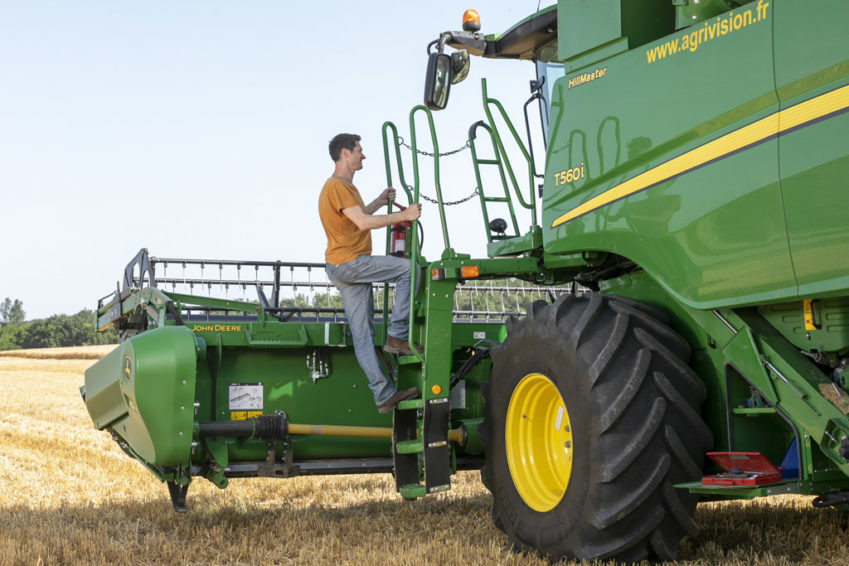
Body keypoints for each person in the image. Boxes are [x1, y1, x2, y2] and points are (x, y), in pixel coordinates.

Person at [319, 133, 423, 414]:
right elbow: (363, 223)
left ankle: (383, 394)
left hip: (342, 266)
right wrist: (405, 215)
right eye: (359, 150)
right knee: (409, 270)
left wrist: (379, 200)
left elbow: (356, 216)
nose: (362, 155)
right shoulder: (337, 186)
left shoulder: (344, 188)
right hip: (351, 262)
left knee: (363, 336)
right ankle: (398, 335)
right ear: (345, 154)